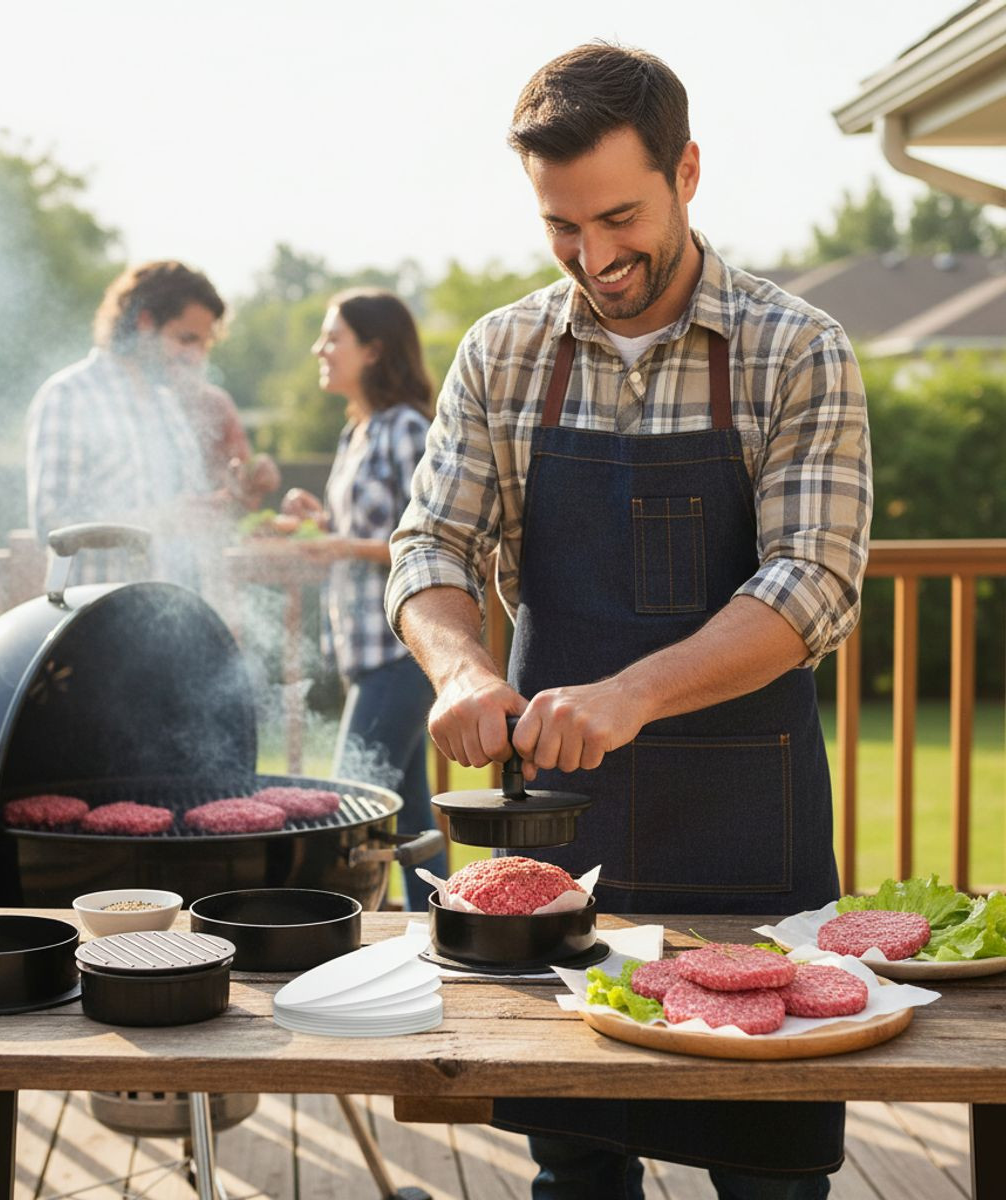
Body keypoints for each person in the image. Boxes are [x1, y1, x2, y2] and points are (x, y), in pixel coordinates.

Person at [386, 43, 871, 1200]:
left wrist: (628, 696)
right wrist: (458, 667)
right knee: (577, 1172)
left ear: (688, 170)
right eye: (562, 226)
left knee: (769, 1175)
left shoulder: (795, 348)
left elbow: (811, 582)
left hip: (750, 837)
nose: (596, 257)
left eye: (619, 217)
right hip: (560, 846)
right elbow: (433, 547)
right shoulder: (501, 353)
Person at [281, 289, 447, 909]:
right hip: (368, 655)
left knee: (352, 802)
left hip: (400, 651)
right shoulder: (359, 431)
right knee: (409, 815)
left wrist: (343, 546)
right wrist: (318, 524)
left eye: (333, 338)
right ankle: (442, 920)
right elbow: (368, 530)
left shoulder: (406, 429)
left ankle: (341, 927)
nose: (319, 349)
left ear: (373, 350)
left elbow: (428, 543)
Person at [26, 260, 279, 592]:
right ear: (145, 322)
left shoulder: (166, 403)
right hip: (97, 619)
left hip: (172, 618)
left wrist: (237, 491)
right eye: (186, 339)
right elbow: (53, 523)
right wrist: (161, 520)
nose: (197, 356)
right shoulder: (70, 395)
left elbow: (189, 511)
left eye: (204, 344)